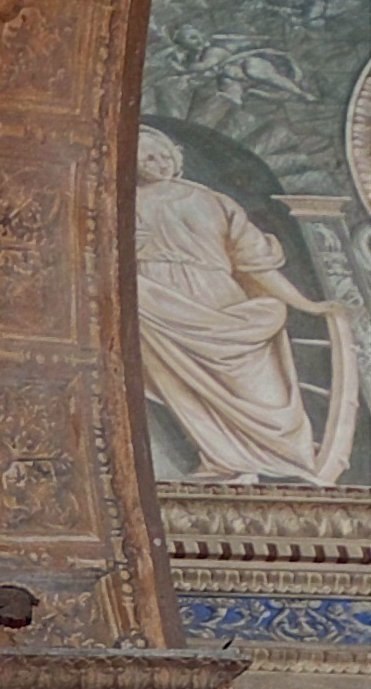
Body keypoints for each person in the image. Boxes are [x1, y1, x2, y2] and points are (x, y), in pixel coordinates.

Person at [136, 130, 359, 489]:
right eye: (148, 159)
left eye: (163, 157)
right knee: (188, 388)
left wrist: (307, 304)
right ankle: (223, 461)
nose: (160, 165)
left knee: (263, 389)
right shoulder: (121, 204)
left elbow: (256, 266)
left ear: (176, 157)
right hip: (162, 307)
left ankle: (287, 459)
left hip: (225, 304)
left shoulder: (214, 201)